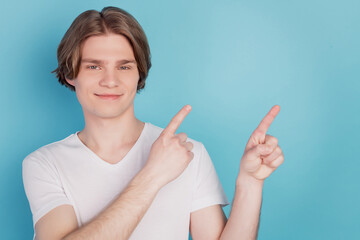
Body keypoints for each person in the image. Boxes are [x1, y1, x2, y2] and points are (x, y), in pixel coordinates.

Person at [22, 6, 284, 240]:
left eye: (124, 67)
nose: (110, 80)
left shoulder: (189, 153)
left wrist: (250, 183)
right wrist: (153, 175)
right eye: (94, 67)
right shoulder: (44, 164)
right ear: (70, 73)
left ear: (139, 74)